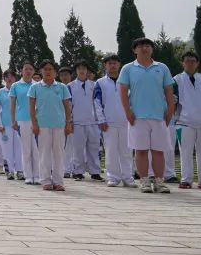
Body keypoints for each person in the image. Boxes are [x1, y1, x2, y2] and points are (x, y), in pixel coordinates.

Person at [119, 37, 176, 194]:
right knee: (141, 150)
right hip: (138, 117)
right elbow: (123, 91)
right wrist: (127, 111)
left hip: (159, 116)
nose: (145, 48)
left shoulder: (162, 67)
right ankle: (144, 181)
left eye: (148, 46)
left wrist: (170, 109)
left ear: (152, 49)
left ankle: (159, 181)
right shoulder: (128, 68)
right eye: (141, 46)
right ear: (134, 49)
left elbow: (169, 91)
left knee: (159, 150)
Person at [29, 60, 73, 192]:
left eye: (50, 69)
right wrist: (34, 124)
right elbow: (31, 107)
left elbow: (67, 106)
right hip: (42, 125)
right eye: (45, 69)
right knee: (44, 153)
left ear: (55, 72)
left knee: (59, 153)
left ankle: (59, 181)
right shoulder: (35, 87)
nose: (48, 72)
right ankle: (46, 180)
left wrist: (68, 123)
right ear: (41, 71)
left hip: (59, 124)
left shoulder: (62, 87)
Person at [94, 54, 134, 187]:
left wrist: (132, 116)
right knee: (110, 151)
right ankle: (113, 177)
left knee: (127, 151)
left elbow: (133, 100)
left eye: (115, 63)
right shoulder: (99, 83)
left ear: (119, 64)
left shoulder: (127, 81)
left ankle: (128, 178)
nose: (112, 65)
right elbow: (97, 102)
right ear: (105, 65)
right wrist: (101, 120)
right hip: (108, 122)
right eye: (109, 63)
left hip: (126, 121)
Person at [67, 62, 102, 181]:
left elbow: (98, 103)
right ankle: (78, 171)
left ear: (87, 70)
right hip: (77, 121)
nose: (82, 71)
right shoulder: (70, 86)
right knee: (78, 148)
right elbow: (69, 105)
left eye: (84, 68)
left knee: (94, 148)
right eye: (79, 68)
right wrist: (69, 121)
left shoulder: (94, 85)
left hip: (93, 121)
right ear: (76, 71)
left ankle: (95, 171)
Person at [175, 51, 201, 188]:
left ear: (197, 63)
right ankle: (186, 180)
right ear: (182, 63)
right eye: (187, 61)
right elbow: (172, 100)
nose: (190, 64)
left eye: (193, 61)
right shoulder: (176, 80)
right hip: (184, 122)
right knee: (185, 151)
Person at [10, 62, 40, 185]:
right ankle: (28, 175)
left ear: (34, 71)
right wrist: (13, 121)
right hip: (22, 120)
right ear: (21, 71)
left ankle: (37, 175)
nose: (28, 71)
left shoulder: (38, 85)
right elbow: (12, 106)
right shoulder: (16, 86)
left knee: (37, 149)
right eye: (25, 69)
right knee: (26, 149)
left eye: (30, 69)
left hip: (37, 120)